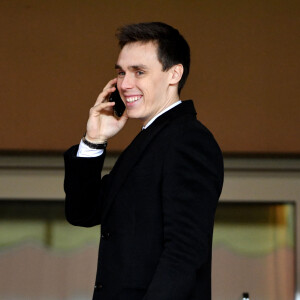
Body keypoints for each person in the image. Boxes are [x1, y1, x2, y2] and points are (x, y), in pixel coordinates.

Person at [64, 22, 224, 300]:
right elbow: (83, 212)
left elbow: (184, 252)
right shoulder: (151, 141)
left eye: (139, 72)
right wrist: (94, 140)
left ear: (174, 73)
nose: (125, 84)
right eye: (121, 72)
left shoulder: (186, 139)